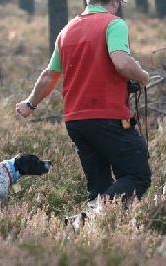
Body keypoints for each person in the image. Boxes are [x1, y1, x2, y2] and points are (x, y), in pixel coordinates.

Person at [15, 0, 151, 203]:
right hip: (109, 117)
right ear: (114, 2)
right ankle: (96, 216)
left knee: (98, 187)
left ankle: (87, 222)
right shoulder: (114, 24)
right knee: (137, 176)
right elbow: (122, 62)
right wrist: (141, 76)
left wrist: (31, 104)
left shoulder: (67, 30)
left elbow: (49, 76)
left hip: (76, 121)